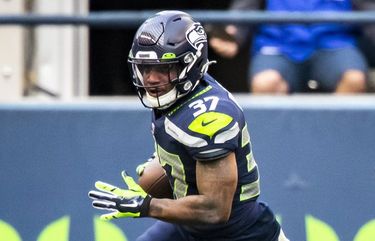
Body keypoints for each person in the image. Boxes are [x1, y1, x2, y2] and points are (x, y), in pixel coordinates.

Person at [88, 10, 289, 241]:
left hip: (238, 234)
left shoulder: (210, 117)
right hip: (191, 228)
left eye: (163, 68)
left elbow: (215, 210)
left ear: (191, 65)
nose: (151, 78)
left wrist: (148, 206)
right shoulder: (179, 93)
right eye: (145, 67)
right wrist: (169, 164)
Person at [209, 0, 371, 94]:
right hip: (279, 43)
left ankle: (336, 139)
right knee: (265, 83)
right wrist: (234, 33)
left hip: (334, 41)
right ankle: (275, 148)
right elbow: (245, 8)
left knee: (354, 78)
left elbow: (367, 8)